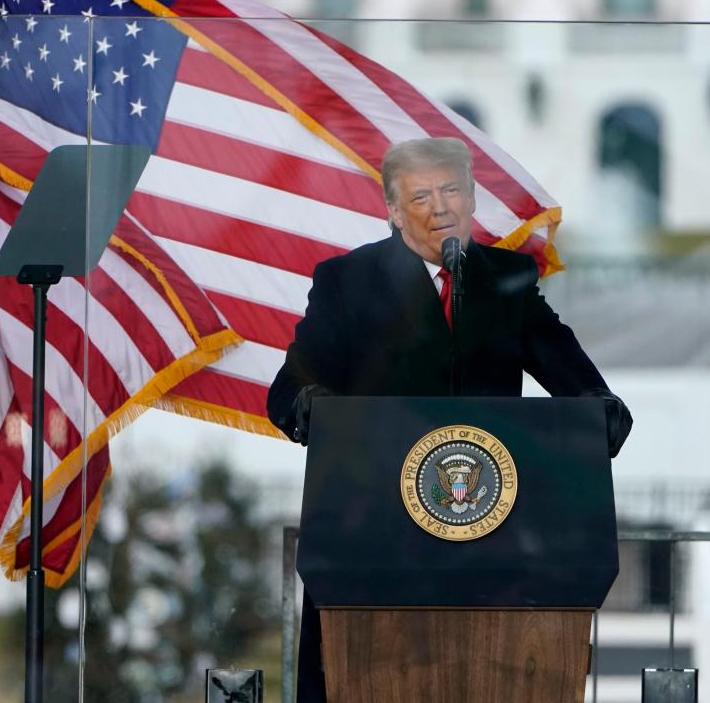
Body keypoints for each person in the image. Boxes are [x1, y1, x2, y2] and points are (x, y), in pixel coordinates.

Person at [266, 137, 632, 703]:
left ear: (472, 196)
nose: (441, 207)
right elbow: (289, 388)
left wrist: (599, 406)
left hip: (492, 540)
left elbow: (568, 369)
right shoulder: (349, 280)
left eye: (452, 190)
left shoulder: (507, 278)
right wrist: (311, 401)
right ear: (392, 210)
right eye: (421, 196)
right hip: (373, 538)